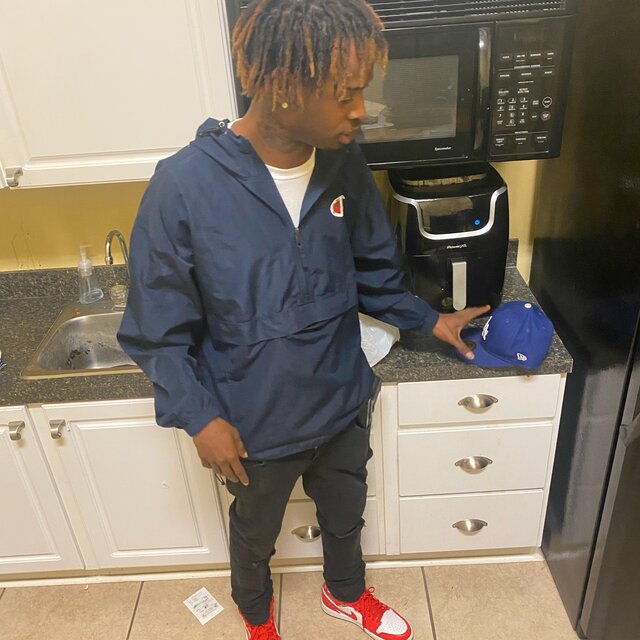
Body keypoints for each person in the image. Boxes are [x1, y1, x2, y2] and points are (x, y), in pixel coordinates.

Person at [118, 1, 489, 639]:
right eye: (346, 95)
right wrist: (200, 417)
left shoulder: (344, 163)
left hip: (341, 400)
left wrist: (432, 321)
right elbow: (157, 330)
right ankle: (256, 617)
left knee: (345, 514)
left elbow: (375, 274)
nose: (361, 111)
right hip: (253, 420)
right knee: (254, 532)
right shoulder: (183, 186)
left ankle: (345, 593)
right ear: (284, 88)